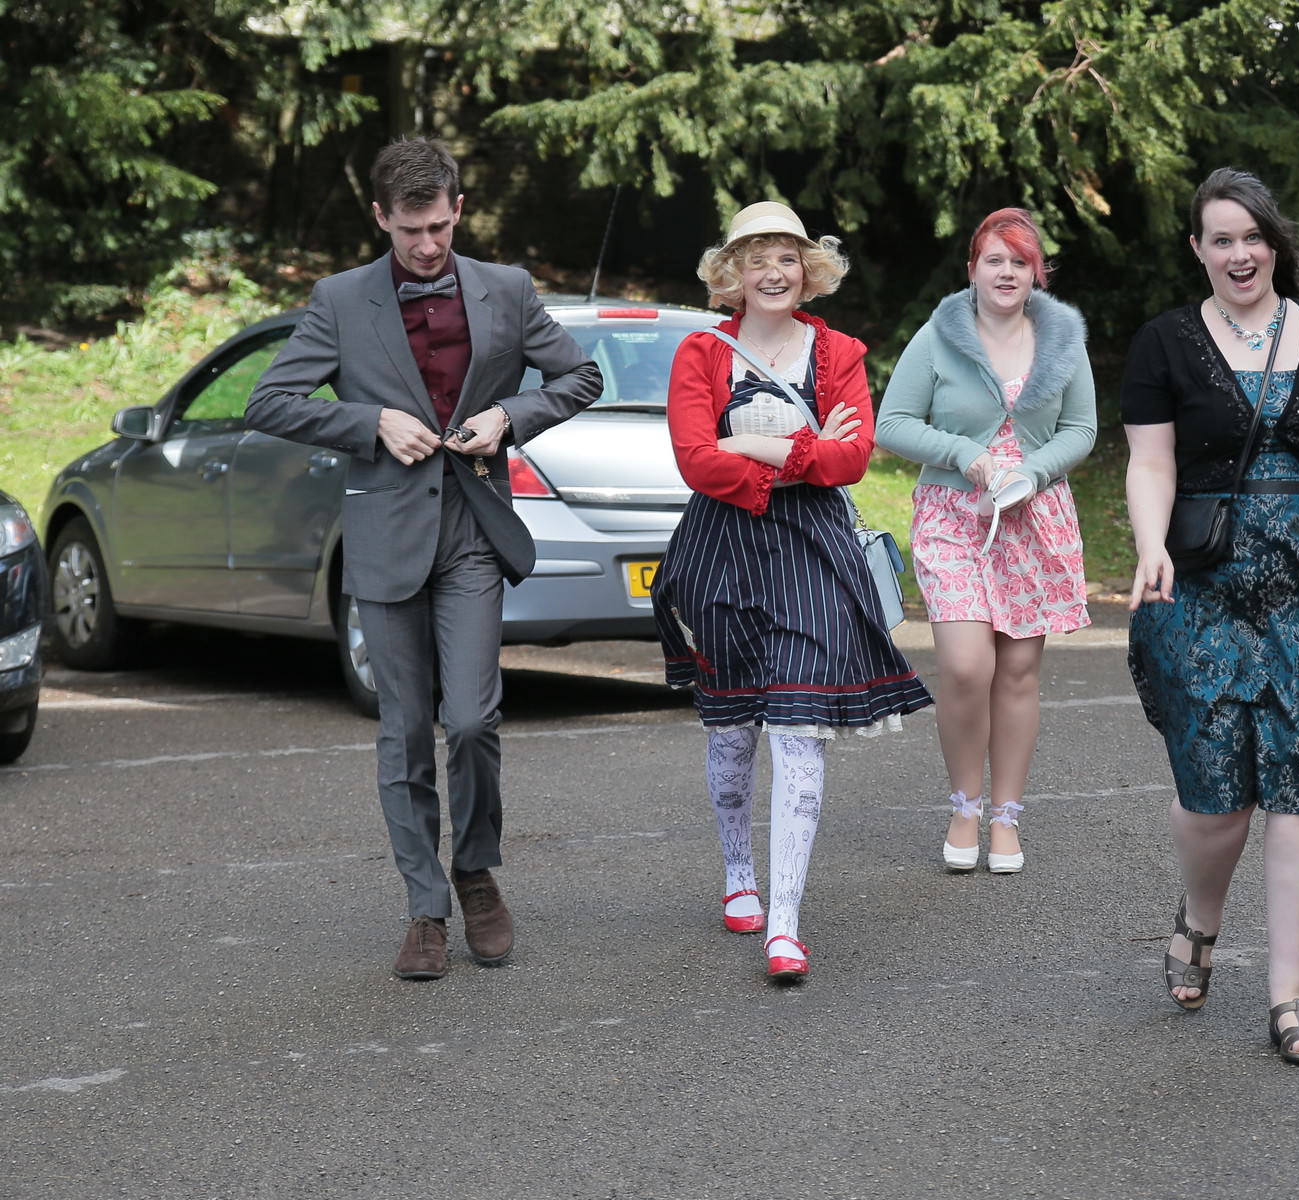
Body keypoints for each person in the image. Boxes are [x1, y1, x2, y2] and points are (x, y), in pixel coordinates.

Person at [248, 138, 603, 980]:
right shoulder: (340, 299)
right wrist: (368, 422)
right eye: (411, 231)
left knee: (473, 720)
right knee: (404, 731)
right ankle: (425, 907)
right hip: (385, 537)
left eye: (440, 226)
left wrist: (509, 417)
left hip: (474, 530)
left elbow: (581, 378)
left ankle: (475, 873)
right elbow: (270, 401)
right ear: (381, 217)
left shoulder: (507, 289)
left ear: (458, 210)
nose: (428, 245)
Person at [1121, 167, 1299, 1065]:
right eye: (1222, 239)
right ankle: (1199, 918)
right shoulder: (1165, 342)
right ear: (1198, 250)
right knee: (1216, 798)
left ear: (1275, 245)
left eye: (1253, 237)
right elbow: (1151, 462)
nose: (1240, 254)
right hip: (1203, 583)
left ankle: (1291, 997)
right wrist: (1149, 544)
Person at [653, 201, 932, 982]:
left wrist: (750, 441)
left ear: (808, 271)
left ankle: (785, 924)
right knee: (732, 730)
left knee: (798, 728)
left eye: (787, 258)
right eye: (757, 258)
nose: (773, 272)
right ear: (731, 273)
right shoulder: (700, 353)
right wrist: (807, 449)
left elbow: (853, 461)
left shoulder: (840, 352)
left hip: (813, 553)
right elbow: (696, 462)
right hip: (720, 551)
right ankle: (738, 874)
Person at [875, 208, 1096, 874]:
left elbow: (1081, 429)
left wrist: (1033, 471)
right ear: (972, 268)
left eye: (1020, 261)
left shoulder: (1062, 339)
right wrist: (966, 455)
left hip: (1034, 519)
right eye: (994, 259)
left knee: (1019, 672)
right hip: (952, 516)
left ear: (1037, 272)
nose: (1006, 272)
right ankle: (964, 805)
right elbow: (892, 423)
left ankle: (1006, 817)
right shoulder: (939, 336)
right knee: (968, 666)